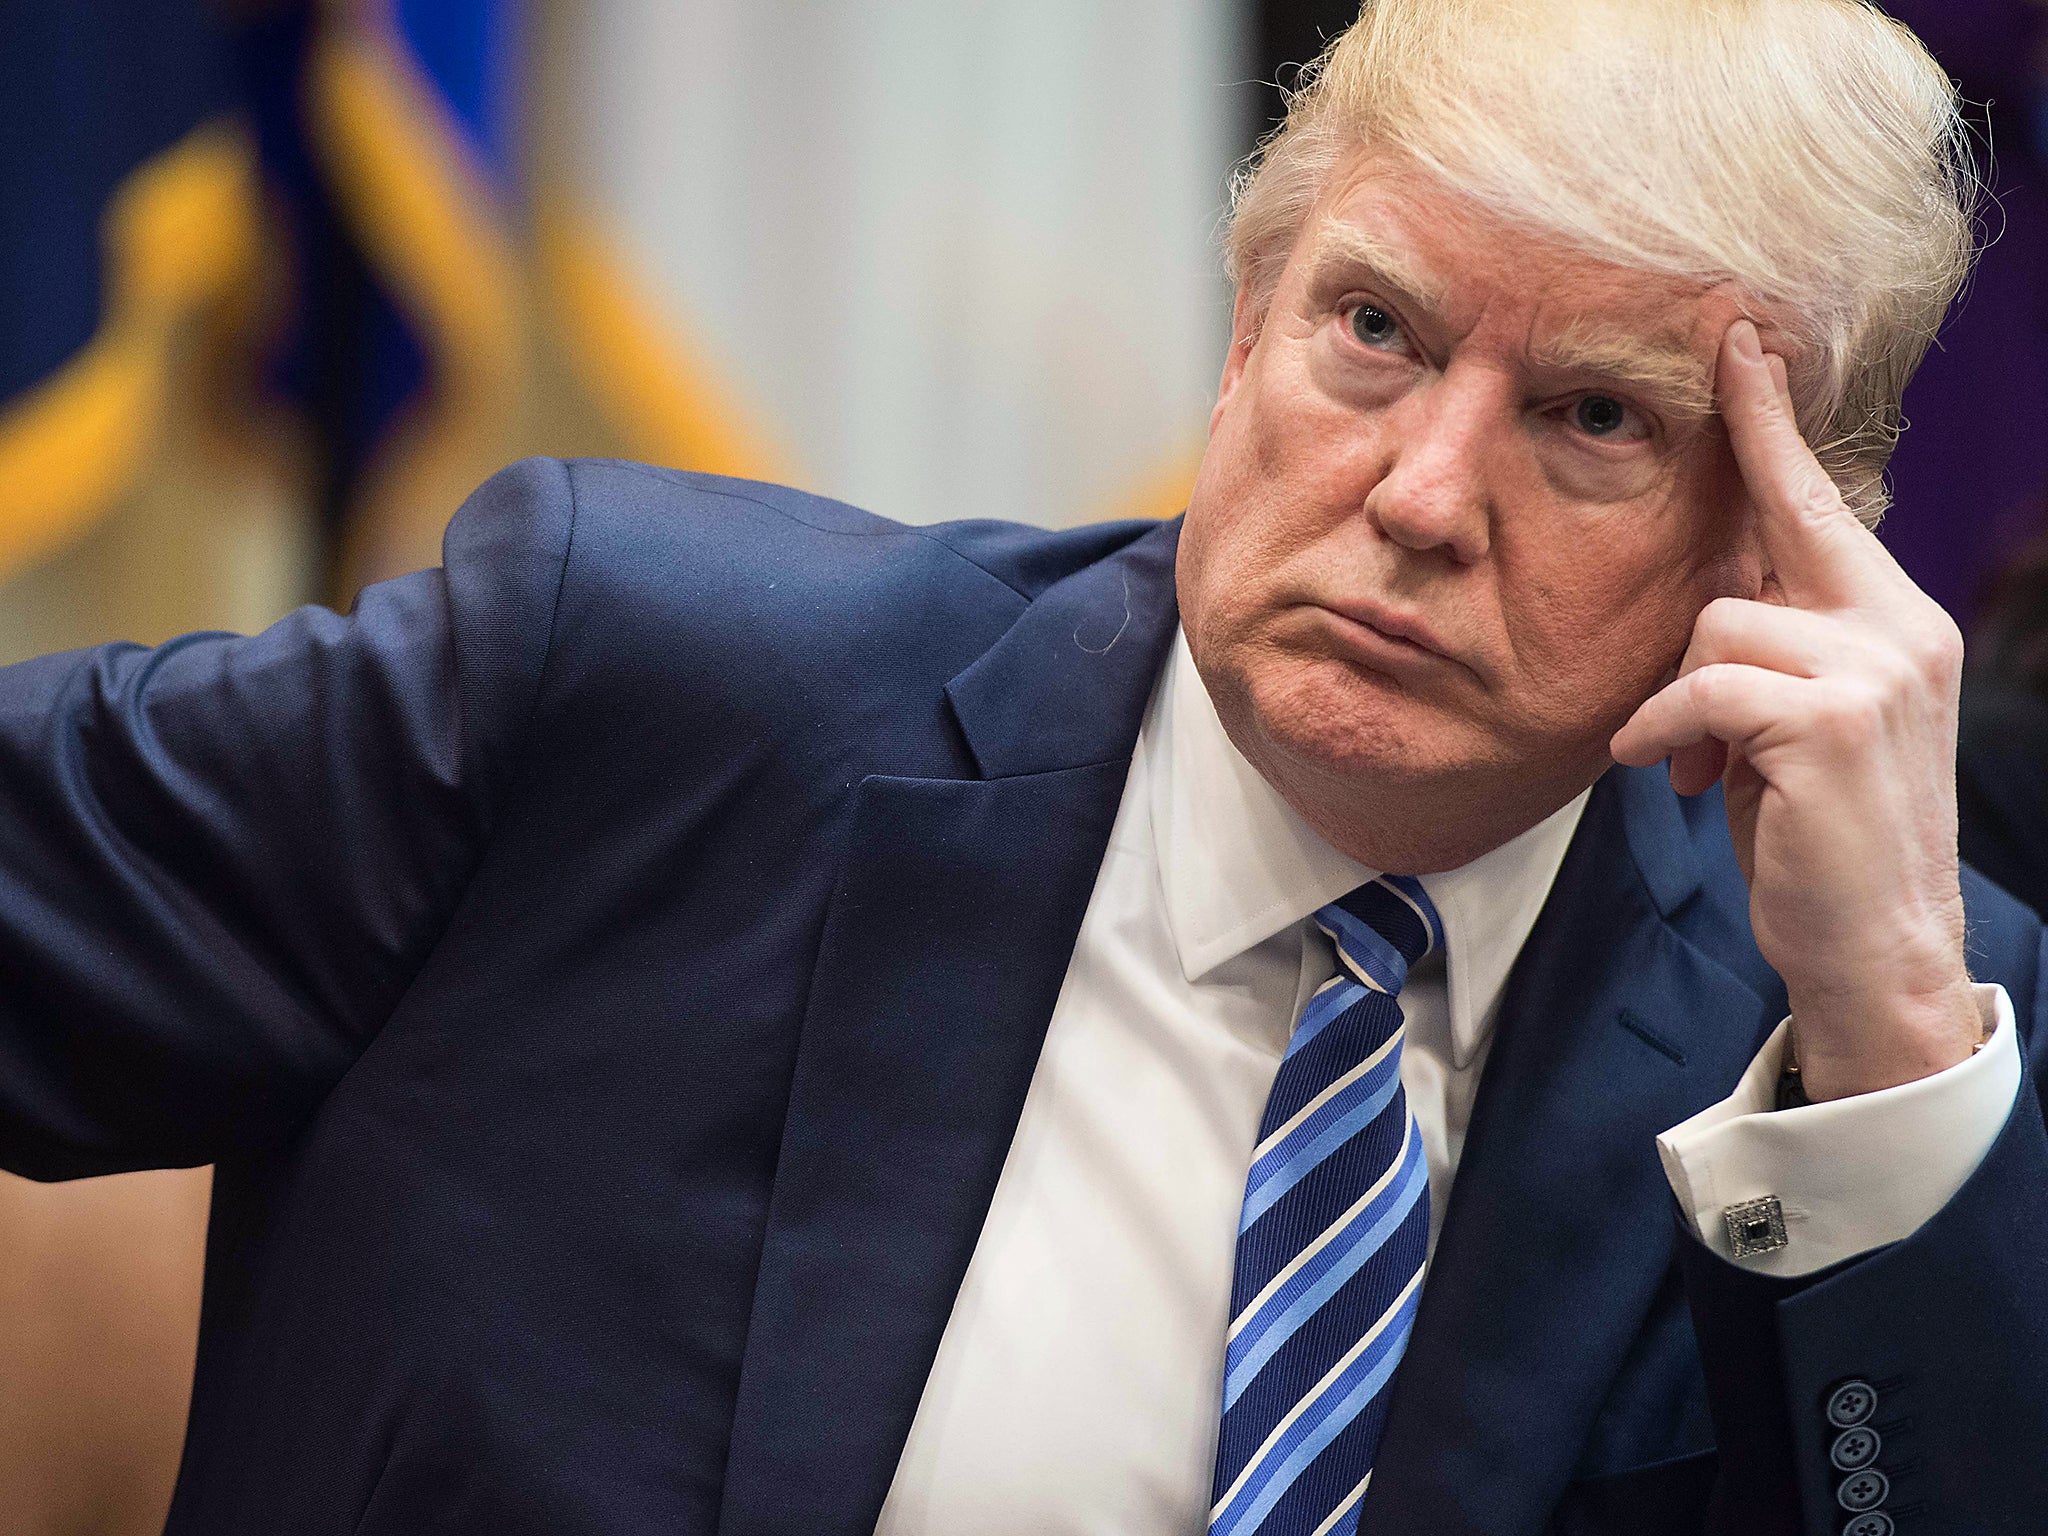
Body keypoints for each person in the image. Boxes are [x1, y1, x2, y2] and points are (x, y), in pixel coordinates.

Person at [0, 2, 2040, 1533]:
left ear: (1797, 536)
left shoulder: (1892, 1046)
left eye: (1592, 416)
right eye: (1374, 330)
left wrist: (1878, 1066)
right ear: (1241, 326)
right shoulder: (636, 696)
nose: (1421, 493)